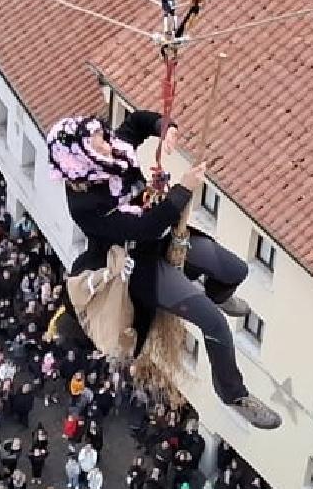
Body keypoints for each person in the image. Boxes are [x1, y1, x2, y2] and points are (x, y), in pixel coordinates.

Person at [44, 114, 281, 429]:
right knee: (214, 322)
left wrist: (166, 130)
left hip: (165, 238)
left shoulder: (114, 152)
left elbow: (139, 123)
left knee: (235, 271)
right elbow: (145, 226)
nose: (106, 140)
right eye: (96, 140)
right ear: (79, 157)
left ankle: (217, 291)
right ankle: (234, 394)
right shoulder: (86, 205)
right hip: (138, 263)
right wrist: (182, 191)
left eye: (101, 135)